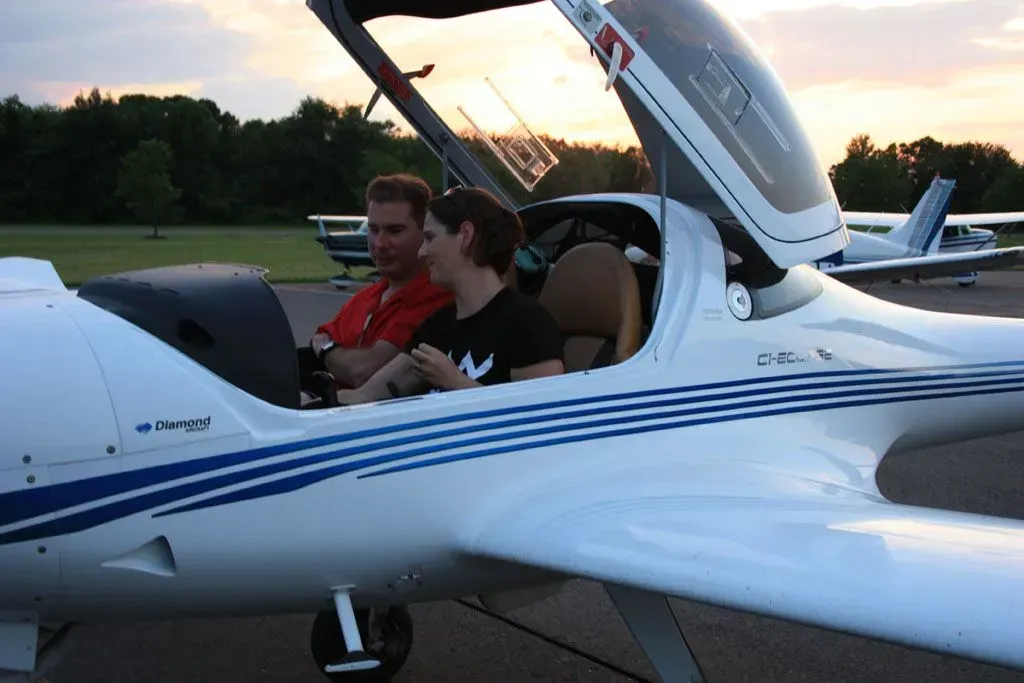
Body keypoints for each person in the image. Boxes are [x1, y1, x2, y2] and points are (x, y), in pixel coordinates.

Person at [335, 186, 565, 405]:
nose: (422, 251)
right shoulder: (438, 325)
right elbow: (366, 397)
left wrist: (455, 382)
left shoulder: (528, 324)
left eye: (430, 238)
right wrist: (307, 401)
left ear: (465, 235)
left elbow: (539, 417)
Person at [305, 174, 455, 392]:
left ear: (425, 232)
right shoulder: (365, 297)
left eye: (395, 231)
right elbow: (318, 338)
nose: (380, 244)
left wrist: (327, 350)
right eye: (373, 229)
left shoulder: (438, 297)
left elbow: (364, 371)